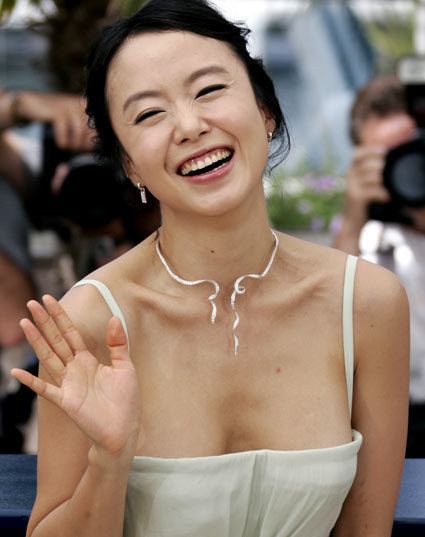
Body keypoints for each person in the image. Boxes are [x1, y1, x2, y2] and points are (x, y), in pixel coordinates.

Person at [11, 1, 409, 536]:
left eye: (209, 90)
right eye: (149, 114)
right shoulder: (85, 321)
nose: (190, 125)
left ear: (266, 110)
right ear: (129, 164)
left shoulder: (367, 303)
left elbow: (367, 529)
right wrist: (110, 458)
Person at [333, 74, 425, 457]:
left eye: (413, 151)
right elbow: (328, 319)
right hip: (403, 424)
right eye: (389, 159)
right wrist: (353, 218)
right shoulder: (364, 241)